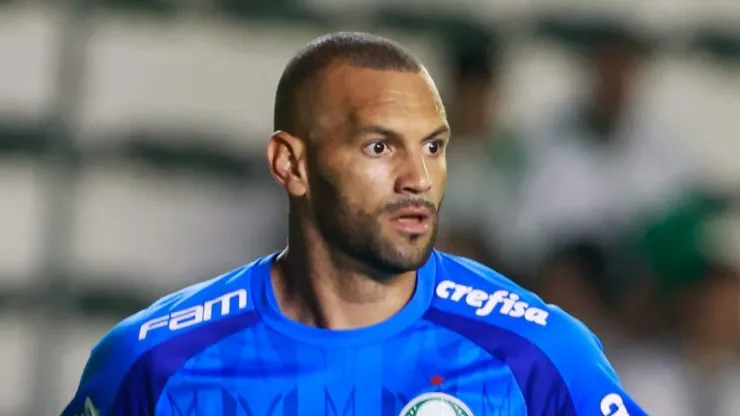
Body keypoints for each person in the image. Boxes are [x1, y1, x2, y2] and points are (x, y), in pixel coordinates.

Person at [61, 32, 646, 416]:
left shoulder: (536, 353)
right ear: (291, 164)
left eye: (434, 147)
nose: (418, 177)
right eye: (378, 147)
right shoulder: (153, 362)